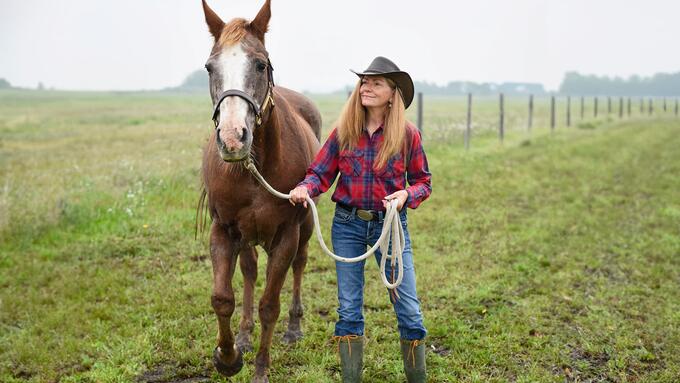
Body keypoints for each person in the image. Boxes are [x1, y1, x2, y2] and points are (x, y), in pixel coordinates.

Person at [289, 56, 431, 383]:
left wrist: (407, 195)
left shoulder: (408, 135)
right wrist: (304, 188)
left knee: (408, 309)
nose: (366, 87)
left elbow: (424, 181)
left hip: (390, 227)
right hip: (348, 226)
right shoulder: (344, 133)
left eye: (376, 83)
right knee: (349, 311)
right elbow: (319, 174)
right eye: (364, 82)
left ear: (392, 94)